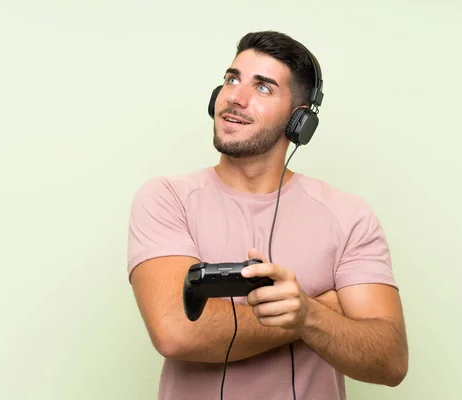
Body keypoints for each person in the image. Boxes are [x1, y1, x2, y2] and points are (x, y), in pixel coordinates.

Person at [127, 30, 408, 400]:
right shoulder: (166, 198)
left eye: (263, 88)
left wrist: (308, 314)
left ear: (299, 121)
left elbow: (390, 362)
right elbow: (176, 331)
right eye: (231, 79)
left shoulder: (348, 216)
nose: (235, 98)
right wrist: (321, 309)